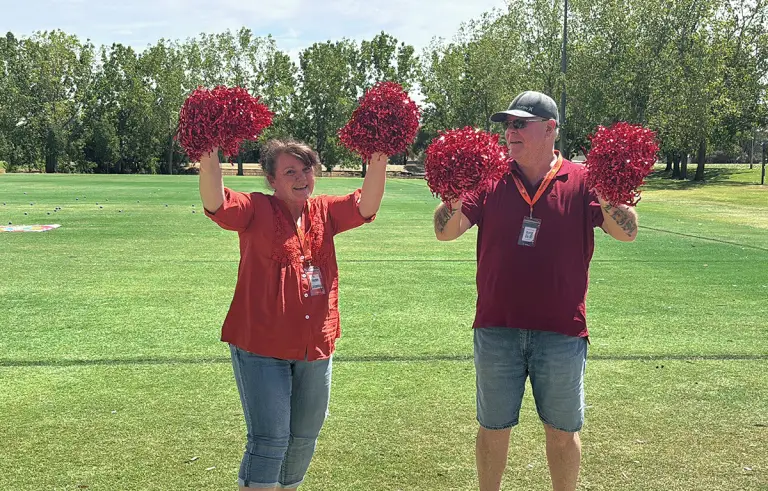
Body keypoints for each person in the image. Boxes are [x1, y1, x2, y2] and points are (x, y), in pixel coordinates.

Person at [432, 91, 639, 491]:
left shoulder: (582, 180)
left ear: (549, 129)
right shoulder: (489, 180)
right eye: (507, 124)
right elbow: (445, 232)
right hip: (496, 327)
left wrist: (610, 194)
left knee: (562, 432)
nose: (510, 131)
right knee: (492, 428)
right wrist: (455, 195)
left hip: (561, 331)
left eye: (520, 123)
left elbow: (625, 232)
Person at [199, 139, 388, 490]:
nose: (302, 178)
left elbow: (366, 205)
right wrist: (209, 153)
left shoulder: (325, 211)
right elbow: (217, 204)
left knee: (304, 437)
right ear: (271, 179)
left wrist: (379, 156)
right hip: (261, 346)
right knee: (270, 438)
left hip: (315, 346)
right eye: (290, 172)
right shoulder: (256, 207)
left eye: (306, 170)